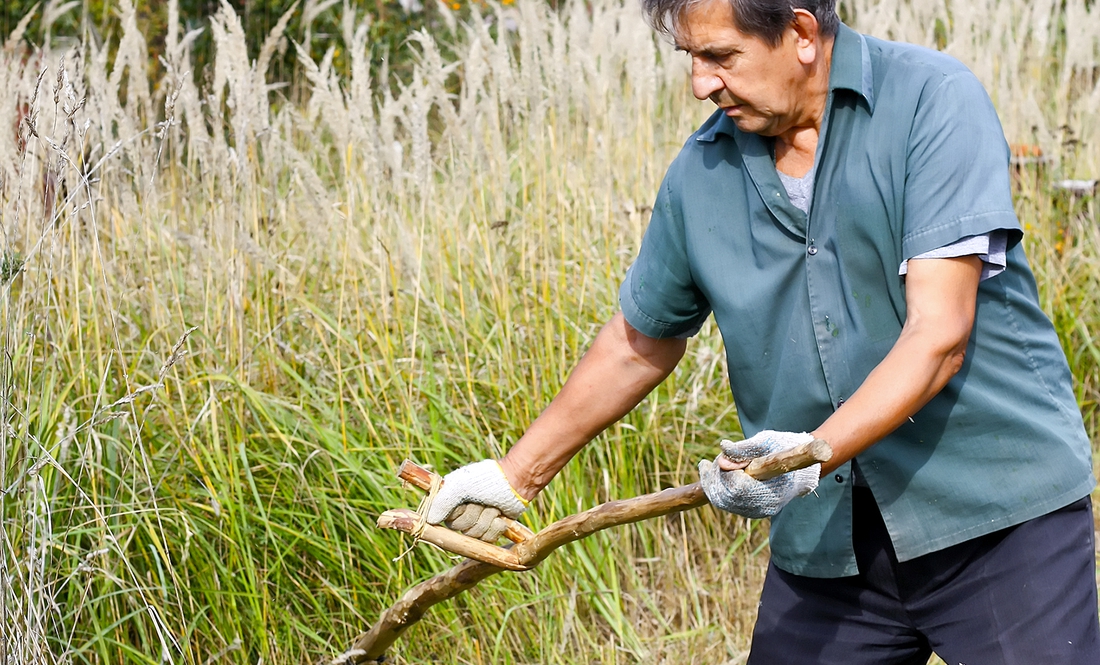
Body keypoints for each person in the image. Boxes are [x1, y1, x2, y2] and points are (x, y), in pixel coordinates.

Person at [425, 0, 1100, 661]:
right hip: (827, 540)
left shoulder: (930, 101)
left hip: (994, 515)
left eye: (719, 56)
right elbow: (639, 344)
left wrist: (807, 455)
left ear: (801, 32)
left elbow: (939, 335)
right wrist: (515, 475)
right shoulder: (703, 171)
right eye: (691, 58)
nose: (700, 84)